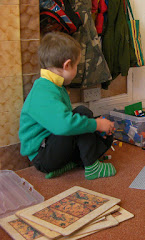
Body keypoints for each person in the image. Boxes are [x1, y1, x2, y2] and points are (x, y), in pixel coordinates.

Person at [19, 31, 116, 180]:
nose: (77, 70)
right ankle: (91, 167)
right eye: (76, 65)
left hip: (51, 148)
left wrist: (97, 127)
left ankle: (73, 163)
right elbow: (65, 126)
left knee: (97, 132)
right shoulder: (43, 92)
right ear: (67, 65)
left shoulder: (53, 85)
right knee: (82, 114)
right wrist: (96, 124)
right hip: (43, 157)